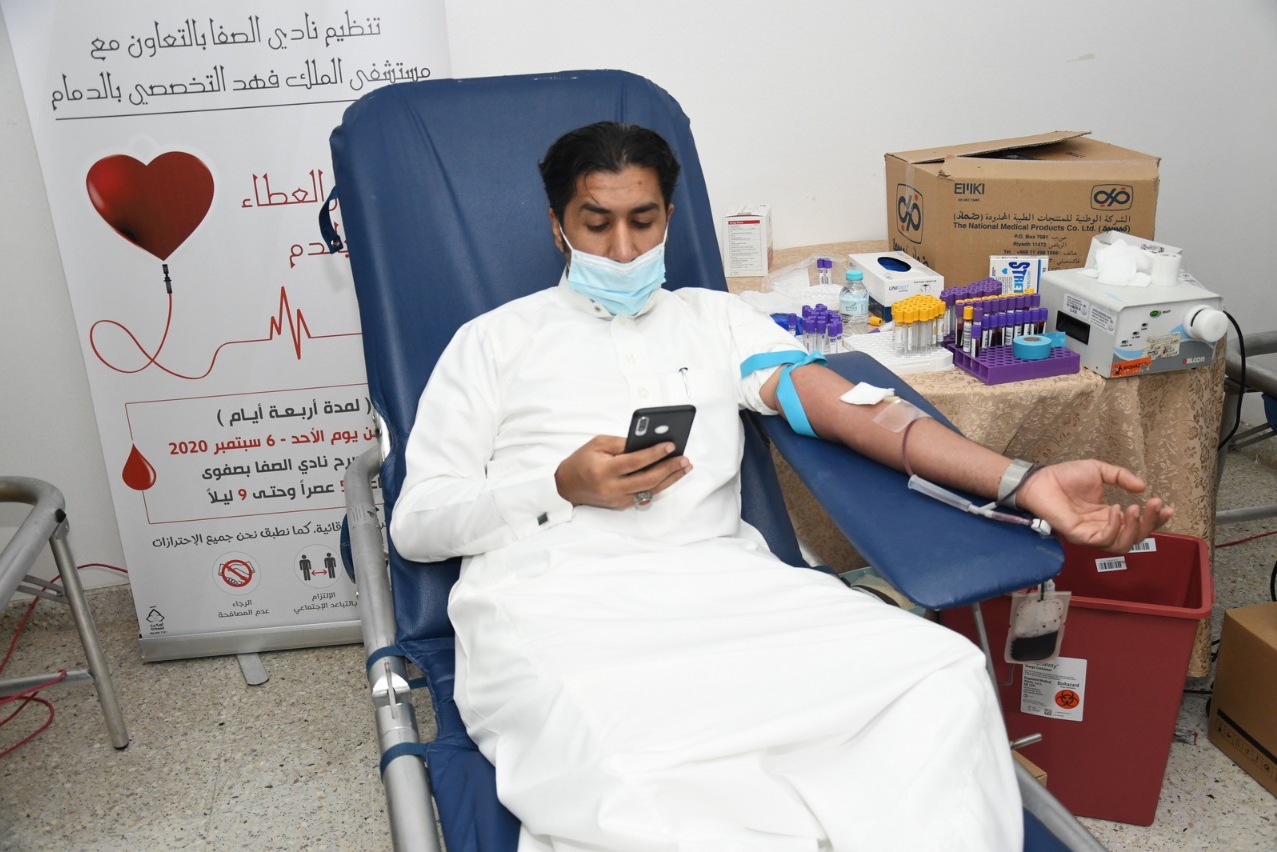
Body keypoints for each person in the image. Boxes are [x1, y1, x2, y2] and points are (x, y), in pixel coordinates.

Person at [390, 122, 1172, 851]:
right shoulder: (492, 344)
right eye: (597, 225)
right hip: (559, 606)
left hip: (725, 591)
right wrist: (557, 487)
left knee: (942, 675)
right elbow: (418, 523)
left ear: (669, 218)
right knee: (631, 766)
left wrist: (1021, 481)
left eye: (644, 221)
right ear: (556, 225)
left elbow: (857, 409)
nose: (624, 250)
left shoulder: (715, 321)